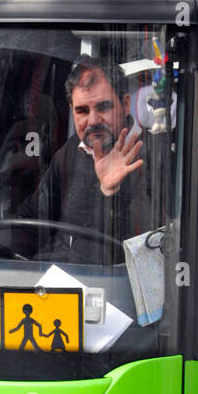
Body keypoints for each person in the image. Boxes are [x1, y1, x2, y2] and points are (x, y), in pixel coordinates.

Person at [27, 55, 148, 264]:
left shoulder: (151, 159)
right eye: (82, 111)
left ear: (126, 104)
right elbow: (33, 219)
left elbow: (143, 249)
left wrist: (108, 192)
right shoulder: (69, 152)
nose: (93, 121)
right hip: (57, 280)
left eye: (103, 107)